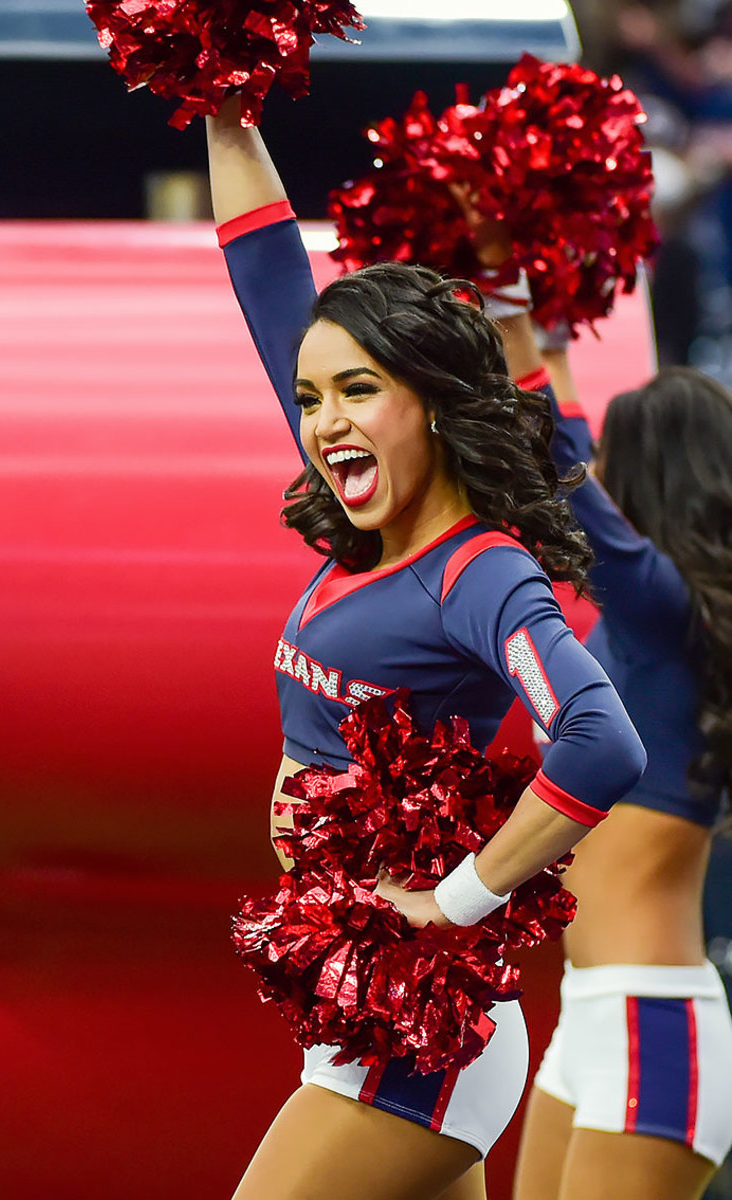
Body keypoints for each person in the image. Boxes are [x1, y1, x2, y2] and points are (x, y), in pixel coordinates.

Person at [206, 95, 647, 1200]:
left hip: (419, 1038)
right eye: (312, 398)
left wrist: (450, 902)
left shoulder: (476, 568)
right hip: (356, 1011)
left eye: (360, 390)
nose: (322, 419)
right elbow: (268, 284)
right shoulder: (360, 518)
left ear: (433, 406)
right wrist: (220, 96)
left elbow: (600, 740)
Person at [504, 333, 732, 1199]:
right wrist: (553, 337)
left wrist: (512, 312)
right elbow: (563, 436)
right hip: (593, 1016)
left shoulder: (662, 608)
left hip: (651, 1023)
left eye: (613, 461)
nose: (597, 470)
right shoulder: (653, 628)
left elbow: (559, 462)